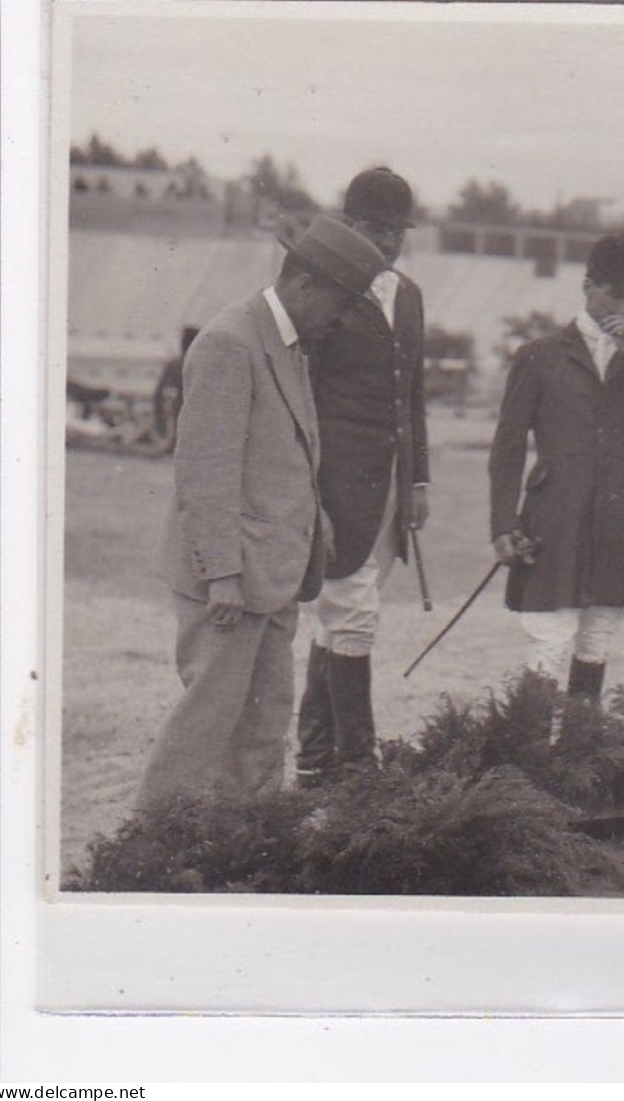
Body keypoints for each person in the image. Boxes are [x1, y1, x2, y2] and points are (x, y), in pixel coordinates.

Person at [137, 216, 385, 808]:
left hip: (270, 575)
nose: (342, 321)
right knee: (207, 721)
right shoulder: (229, 343)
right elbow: (204, 470)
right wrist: (220, 571)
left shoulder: (291, 346)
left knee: (264, 722)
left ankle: (249, 842)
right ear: (305, 286)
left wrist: (313, 516)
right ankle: (145, 849)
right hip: (229, 581)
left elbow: (284, 452)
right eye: (342, 305)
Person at [488, 233, 624, 701]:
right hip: (555, 514)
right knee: (549, 639)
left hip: (617, 514)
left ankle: (579, 756)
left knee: (596, 640)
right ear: (588, 286)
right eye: (615, 293)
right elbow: (509, 446)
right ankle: (533, 760)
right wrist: (502, 525)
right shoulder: (539, 355)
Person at [294, 167, 430, 787]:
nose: (389, 243)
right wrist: (307, 490)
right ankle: (357, 764)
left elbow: (413, 395)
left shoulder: (408, 293)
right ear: (348, 225)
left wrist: (418, 481)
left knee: (343, 611)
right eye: (377, 229)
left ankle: (316, 757)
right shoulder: (323, 293)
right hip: (336, 480)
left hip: (389, 485)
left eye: (398, 231)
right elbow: (303, 398)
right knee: (352, 613)